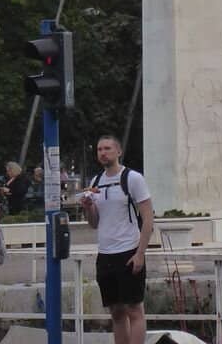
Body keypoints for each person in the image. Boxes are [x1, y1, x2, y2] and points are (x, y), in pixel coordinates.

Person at [80, 135, 153, 344]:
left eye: (108, 148)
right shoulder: (96, 182)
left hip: (128, 250)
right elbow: (94, 223)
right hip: (105, 254)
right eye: (100, 149)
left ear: (118, 152)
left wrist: (140, 254)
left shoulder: (132, 178)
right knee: (116, 312)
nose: (103, 153)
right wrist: (88, 207)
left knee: (134, 309)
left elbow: (148, 217)